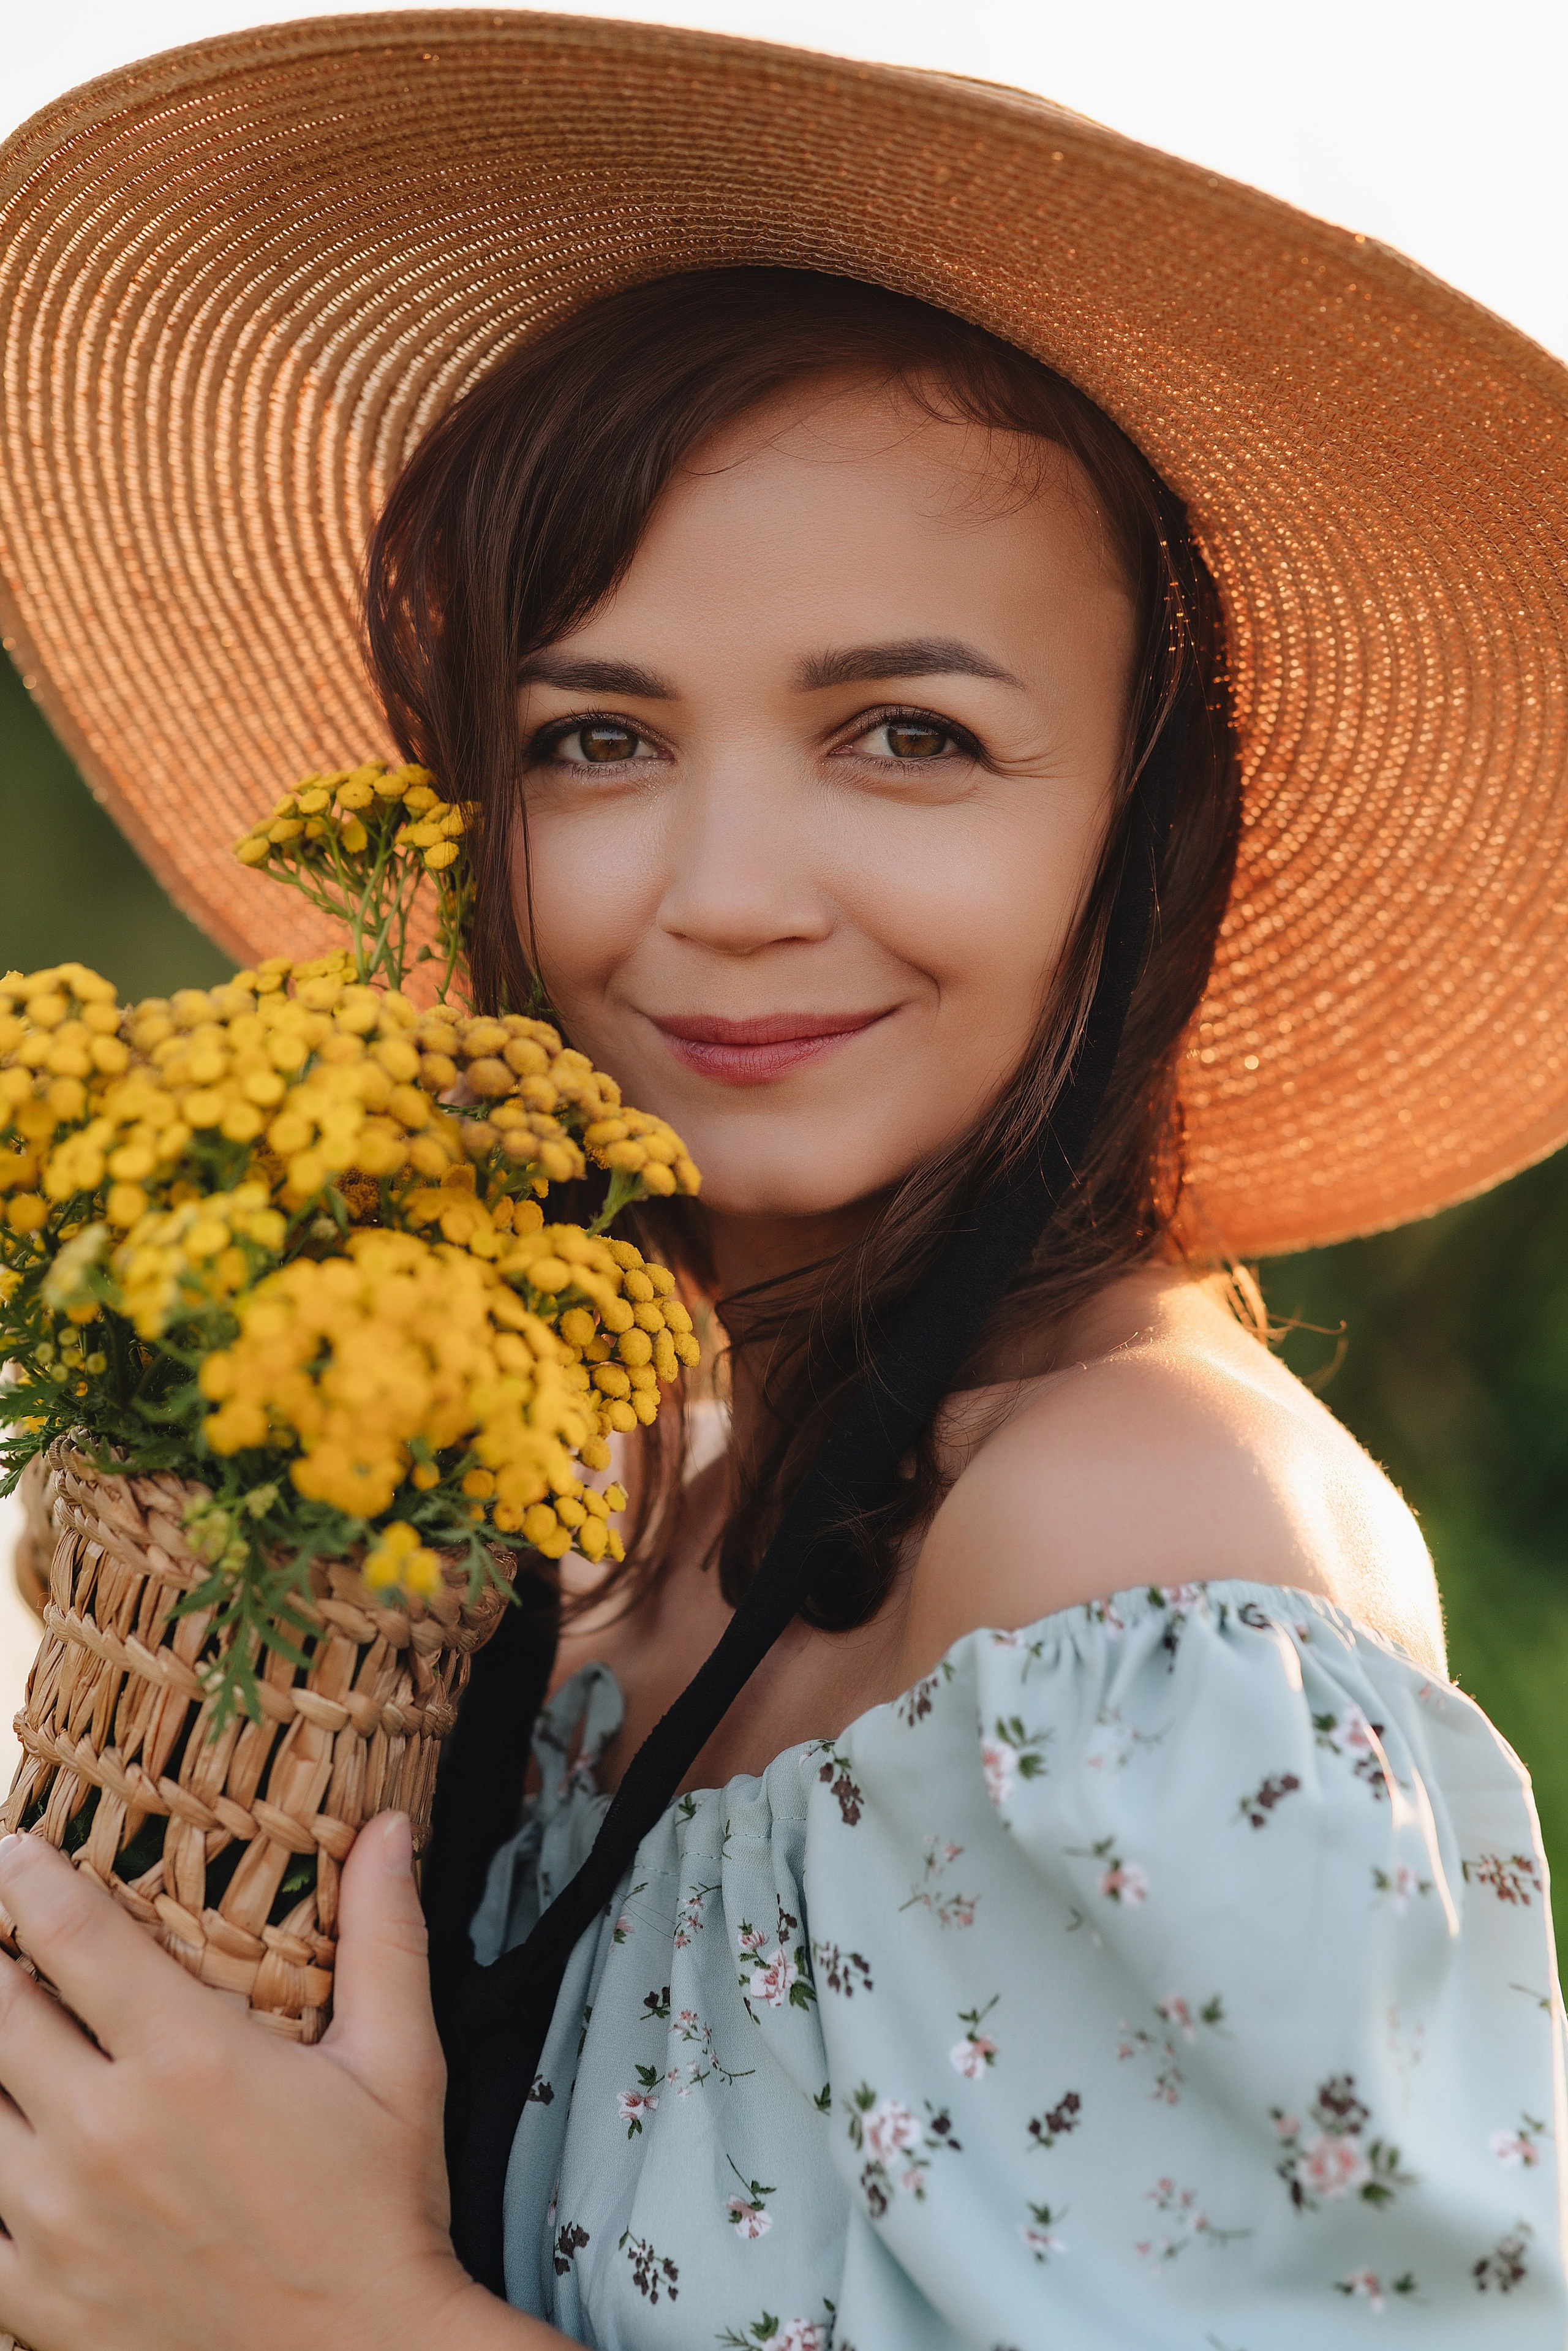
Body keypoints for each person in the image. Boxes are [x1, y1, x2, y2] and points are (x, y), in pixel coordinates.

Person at [0, 16, 1562, 2350]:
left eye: (906, 737)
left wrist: (325, 2319)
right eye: (597, 738)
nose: (723, 894)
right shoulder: (614, 1475)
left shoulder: (1133, 1565)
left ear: (1136, 814)